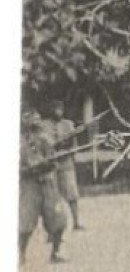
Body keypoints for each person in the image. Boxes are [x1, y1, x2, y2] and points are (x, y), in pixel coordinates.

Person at [19, 107, 69, 264]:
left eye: (36, 118)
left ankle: (56, 252)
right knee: (25, 222)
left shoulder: (46, 140)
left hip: (47, 183)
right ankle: (20, 255)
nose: (35, 121)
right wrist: (28, 170)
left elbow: (54, 162)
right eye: (29, 118)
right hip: (29, 185)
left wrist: (48, 165)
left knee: (58, 219)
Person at [42, 99, 84, 231]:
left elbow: (74, 146)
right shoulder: (44, 126)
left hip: (66, 164)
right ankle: (51, 227)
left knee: (72, 194)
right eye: (55, 109)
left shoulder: (68, 125)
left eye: (60, 108)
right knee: (51, 197)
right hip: (51, 165)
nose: (58, 111)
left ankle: (76, 222)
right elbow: (43, 145)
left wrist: (69, 149)